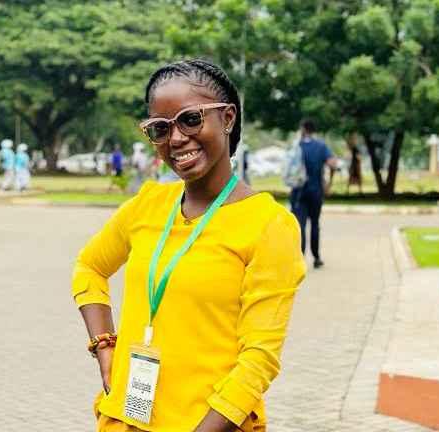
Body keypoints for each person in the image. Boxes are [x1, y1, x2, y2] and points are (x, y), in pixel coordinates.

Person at [72, 59, 305, 432]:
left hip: (210, 424)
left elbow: (259, 358)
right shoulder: (147, 205)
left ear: (227, 118)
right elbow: (89, 267)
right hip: (128, 417)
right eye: (160, 128)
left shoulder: (268, 225)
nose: (176, 138)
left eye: (191, 119)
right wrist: (104, 345)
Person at [289, 119, 338, 269]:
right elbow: (333, 163)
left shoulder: (297, 146)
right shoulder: (321, 146)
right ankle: (316, 258)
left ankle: (300, 258)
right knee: (315, 224)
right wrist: (329, 183)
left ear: (303, 129)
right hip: (316, 191)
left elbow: (290, 167)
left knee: (300, 225)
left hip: (299, 192)